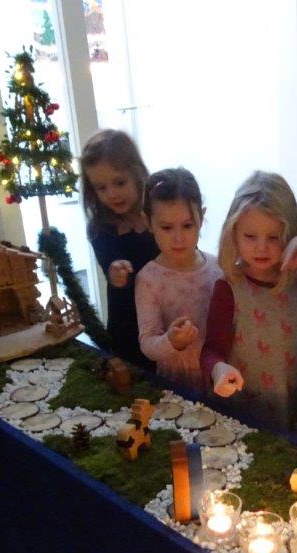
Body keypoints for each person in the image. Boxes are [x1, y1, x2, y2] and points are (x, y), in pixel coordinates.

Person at [200, 172, 297, 430]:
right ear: (233, 234)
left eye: (274, 237)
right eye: (250, 236)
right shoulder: (228, 288)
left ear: (291, 235)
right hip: (242, 416)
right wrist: (218, 369)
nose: (262, 247)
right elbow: (211, 351)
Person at [133, 168, 221, 393]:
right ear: (148, 222)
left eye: (187, 225)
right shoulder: (148, 279)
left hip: (219, 378)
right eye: (166, 227)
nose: (178, 237)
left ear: (201, 217)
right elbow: (147, 342)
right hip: (177, 383)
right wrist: (171, 341)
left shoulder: (218, 267)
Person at [80, 129, 157, 368]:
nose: (112, 194)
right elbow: (110, 265)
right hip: (128, 323)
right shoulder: (100, 228)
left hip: (165, 316)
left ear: (137, 174)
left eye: (119, 182)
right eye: (101, 188)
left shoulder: (158, 215)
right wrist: (115, 273)